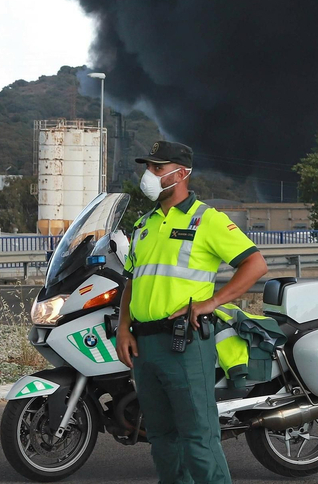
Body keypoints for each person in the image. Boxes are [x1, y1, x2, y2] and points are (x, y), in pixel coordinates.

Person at [114, 140, 269, 484]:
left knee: (198, 437)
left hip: (184, 345)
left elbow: (255, 264)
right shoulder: (144, 224)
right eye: (149, 167)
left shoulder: (208, 220)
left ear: (181, 173)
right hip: (145, 346)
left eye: (158, 168)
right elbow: (131, 282)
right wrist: (123, 328)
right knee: (162, 439)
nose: (149, 174)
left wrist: (212, 302)